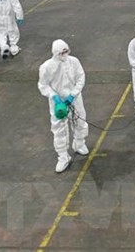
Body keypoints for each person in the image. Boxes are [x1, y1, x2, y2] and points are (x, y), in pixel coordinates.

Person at [38, 39, 90, 173]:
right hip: (57, 102)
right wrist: (54, 96)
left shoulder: (74, 61)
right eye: (62, 52)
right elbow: (43, 85)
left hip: (74, 99)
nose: (65, 54)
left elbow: (80, 77)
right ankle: (62, 156)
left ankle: (79, 143)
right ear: (55, 53)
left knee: (80, 121)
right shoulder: (47, 67)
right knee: (59, 128)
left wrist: (73, 94)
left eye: (66, 51)